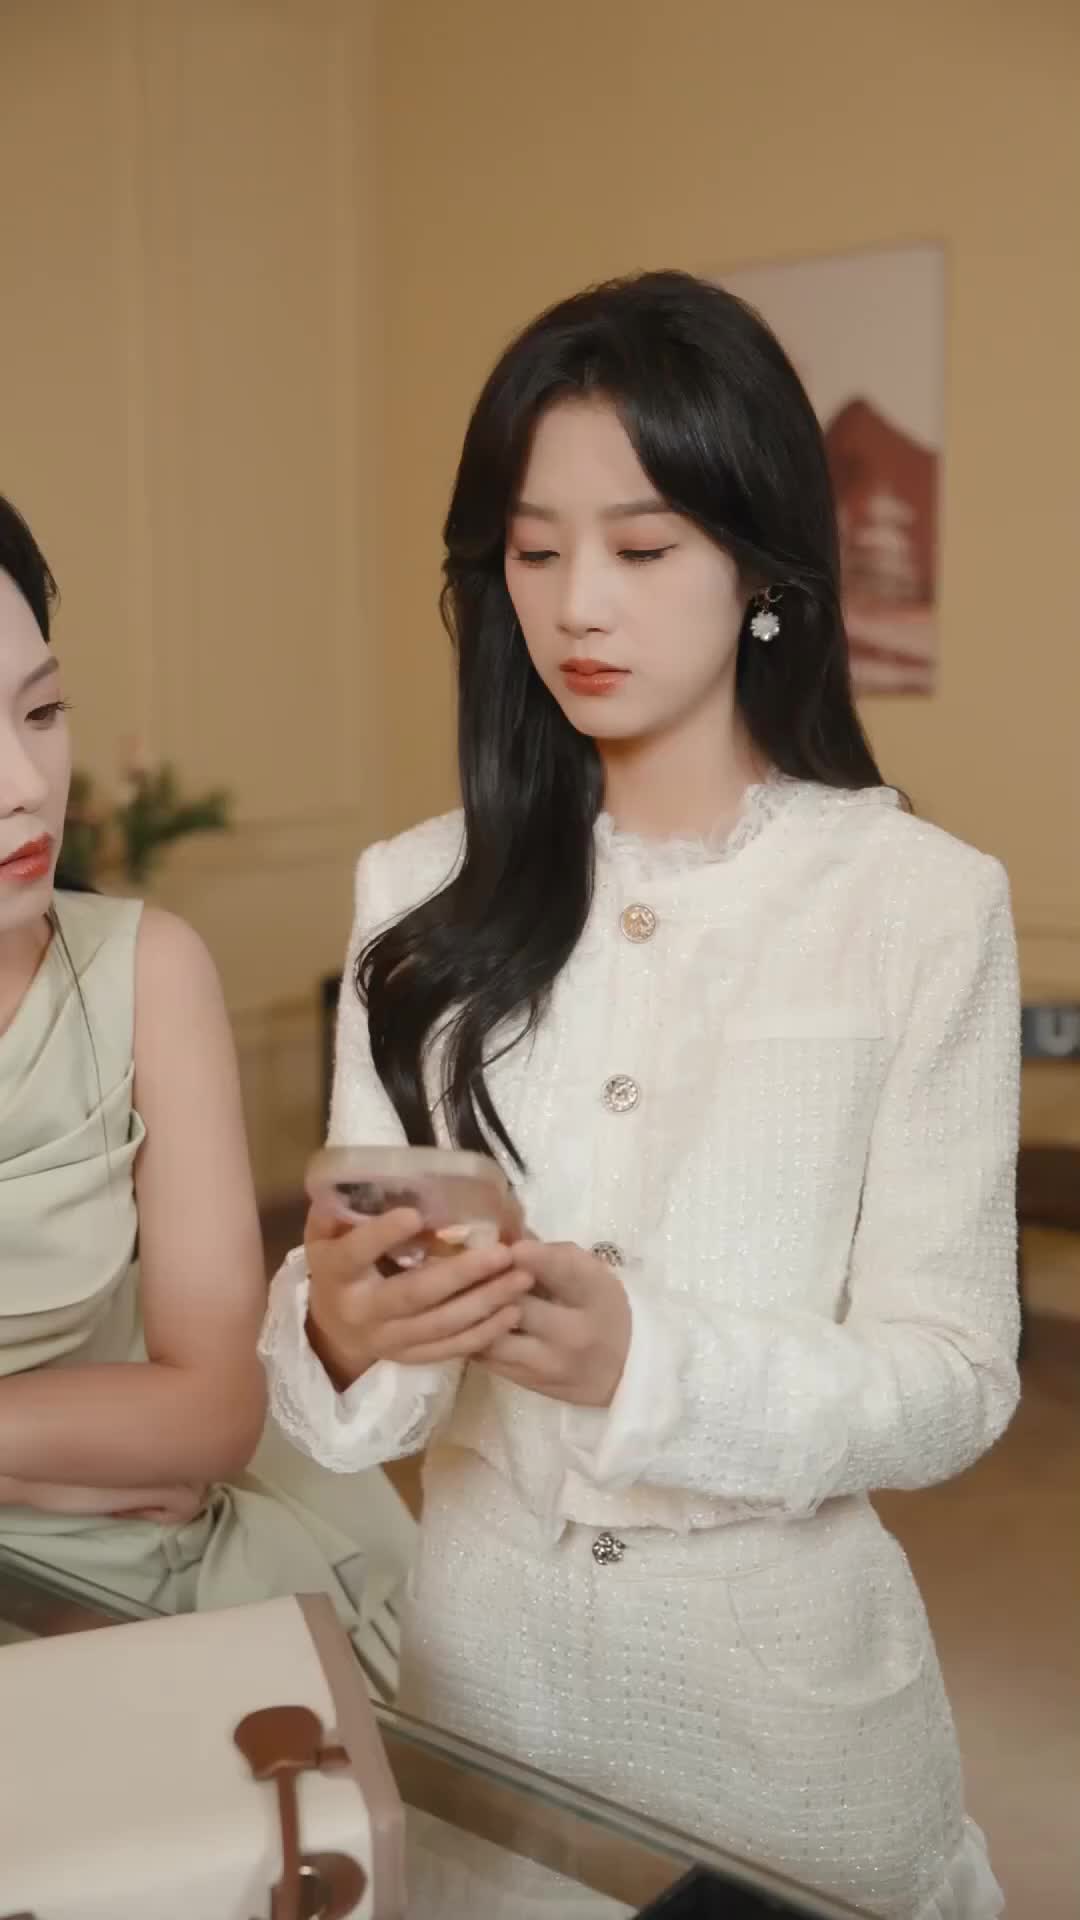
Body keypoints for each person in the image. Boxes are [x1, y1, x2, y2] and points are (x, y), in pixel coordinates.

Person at [261, 271, 1019, 1917]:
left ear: (762, 568)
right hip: (485, 1704)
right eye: (534, 554)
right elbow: (357, 1372)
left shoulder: (919, 904)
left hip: (795, 1745)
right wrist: (346, 1329)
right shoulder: (416, 892)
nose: (578, 608)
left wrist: (646, 1363)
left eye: (643, 548)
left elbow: (955, 1381)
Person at [0, 493, 412, 1693]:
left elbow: (217, 1411)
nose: (23, 783)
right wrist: (51, 1452)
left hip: (136, 1569)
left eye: (41, 712)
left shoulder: (146, 972)